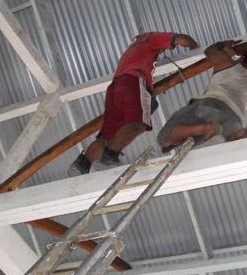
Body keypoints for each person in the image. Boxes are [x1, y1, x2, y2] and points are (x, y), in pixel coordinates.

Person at [68, 31, 199, 176]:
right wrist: (194, 47)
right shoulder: (150, 39)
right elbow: (180, 39)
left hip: (115, 89)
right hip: (133, 83)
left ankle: (82, 165)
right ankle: (109, 158)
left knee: (108, 136)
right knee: (138, 124)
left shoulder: (132, 51)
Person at [157, 39, 247, 152]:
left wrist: (224, 44)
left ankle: (207, 129)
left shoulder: (228, 64)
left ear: (242, 58)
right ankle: (238, 135)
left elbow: (210, 50)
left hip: (213, 105)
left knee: (164, 137)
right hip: (236, 120)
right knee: (210, 145)